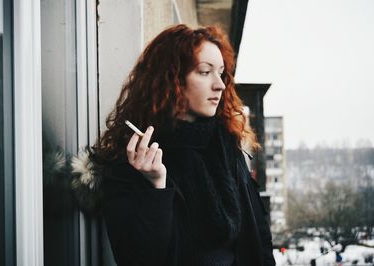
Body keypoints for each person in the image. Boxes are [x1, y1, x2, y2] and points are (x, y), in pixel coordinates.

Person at [71, 24, 276, 266]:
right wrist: (156, 187)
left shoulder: (227, 147)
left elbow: (259, 240)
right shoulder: (134, 160)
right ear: (172, 79)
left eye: (221, 73)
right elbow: (139, 259)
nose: (220, 85)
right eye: (204, 71)